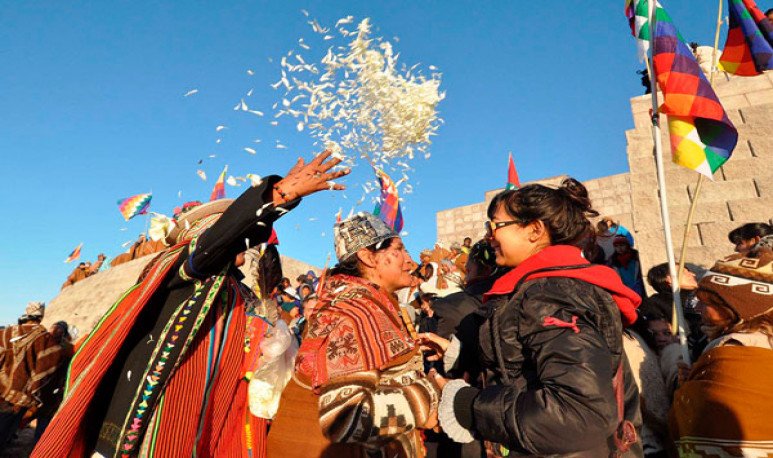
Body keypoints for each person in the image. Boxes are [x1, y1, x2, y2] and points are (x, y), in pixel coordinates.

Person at [32, 151, 349, 457]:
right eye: (234, 230)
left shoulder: (236, 290)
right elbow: (216, 243)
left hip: (200, 423)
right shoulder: (185, 267)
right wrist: (277, 195)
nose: (245, 241)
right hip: (151, 420)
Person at [430, 178, 643, 457]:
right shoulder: (549, 286)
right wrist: (459, 353)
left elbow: (577, 414)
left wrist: (468, 405)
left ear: (534, 230)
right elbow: (529, 366)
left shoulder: (552, 293)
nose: (489, 236)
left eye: (496, 225)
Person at [288, 212, 439, 457]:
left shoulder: (376, 304)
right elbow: (343, 418)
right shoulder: (350, 315)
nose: (410, 261)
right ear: (368, 257)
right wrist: (429, 394)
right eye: (399, 249)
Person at [669, 247, 773, 456]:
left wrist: (689, 393)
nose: (698, 309)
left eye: (705, 302)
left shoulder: (732, 347)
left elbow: (711, 420)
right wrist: (700, 379)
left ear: (734, 306)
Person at [0, 303, 69, 448]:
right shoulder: (44, 338)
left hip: (1, 388)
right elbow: (52, 361)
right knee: (5, 428)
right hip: (20, 395)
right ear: (41, 316)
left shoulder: (7, 331)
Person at [640, 263, 706, 361]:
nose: (693, 274)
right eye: (685, 272)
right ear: (669, 279)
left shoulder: (704, 297)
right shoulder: (654, 303)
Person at [33, 321, 74, 443]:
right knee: (43, 417)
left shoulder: (44, 343)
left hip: (43, 388)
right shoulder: (67, 348)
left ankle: (38, 443)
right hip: (49, 389)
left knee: (42, 417)